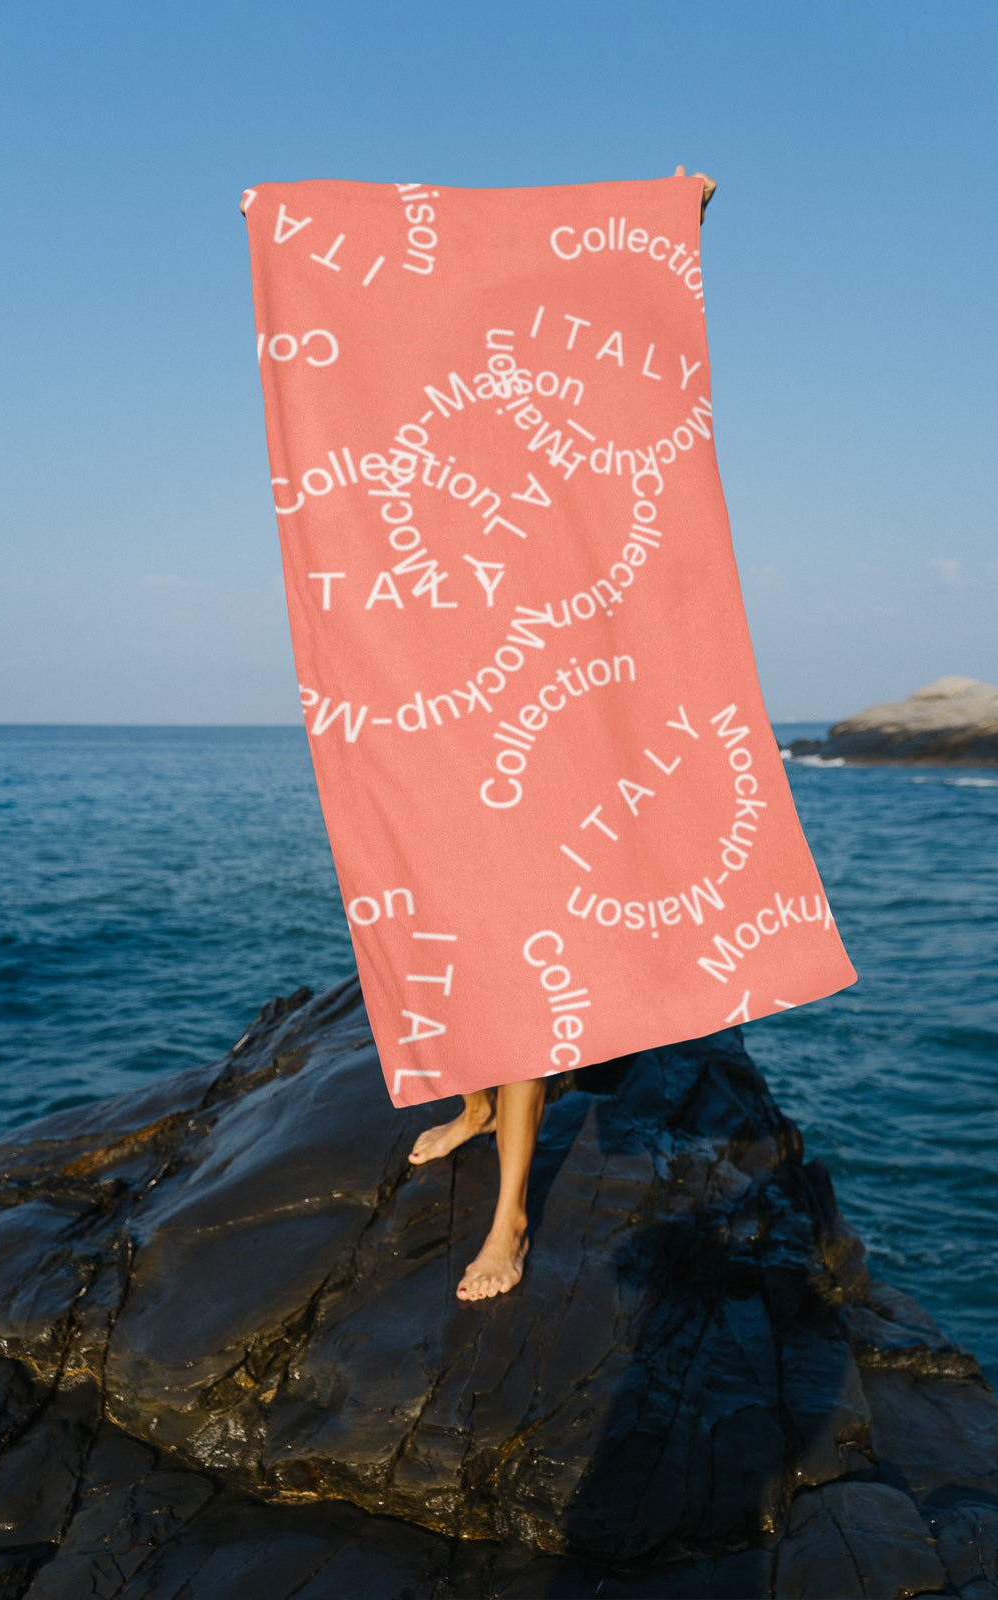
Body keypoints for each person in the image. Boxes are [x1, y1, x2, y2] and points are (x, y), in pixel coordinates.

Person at [408, 165, 717, 1304]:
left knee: (521, 994)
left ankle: (509, 1219)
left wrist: (678, 213)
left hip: (548, 751)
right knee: (448, 944)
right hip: (456, 739)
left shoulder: (579, 479)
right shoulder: (450, 487)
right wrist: (287, 232)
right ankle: (473, 1102)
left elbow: (620, 355)